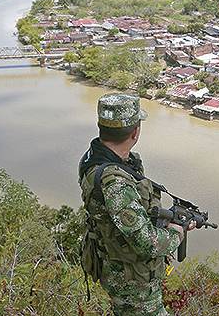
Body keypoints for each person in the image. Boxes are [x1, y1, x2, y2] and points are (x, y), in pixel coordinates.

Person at [78, 93, 190, 316]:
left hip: (116, 267)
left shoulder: (94, 158)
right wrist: (178, 231)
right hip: (132, 284)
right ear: (135, 132)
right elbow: (147, 244)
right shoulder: (116, 182)